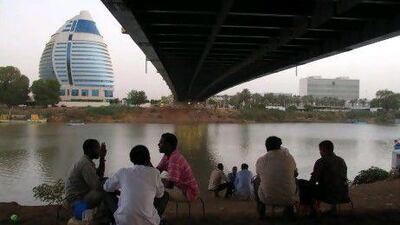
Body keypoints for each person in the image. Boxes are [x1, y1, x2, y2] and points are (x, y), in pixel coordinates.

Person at [103, 145, 167, 225]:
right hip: (148, 222)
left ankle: (111, 220)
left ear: (131, 159)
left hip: (124, 222)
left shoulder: (123, 172)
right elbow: (160, 194)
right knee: (165, 195)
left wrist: (117, 191)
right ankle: (158, 220)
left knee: (106, 191)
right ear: (148, 159)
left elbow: (106, 187)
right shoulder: (154, 173)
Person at [65, 139, 116, 223]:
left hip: (82, 196)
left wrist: (102, 157)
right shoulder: (85, 164)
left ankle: (114, 215)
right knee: (106, 190)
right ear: (89, 150)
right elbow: (97, 186)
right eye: (97, 148)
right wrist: (114, 190)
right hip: (77, 201)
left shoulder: (87, 162)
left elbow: (100, 175)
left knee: (106, 182)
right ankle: (117, 214)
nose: (99, 151)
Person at [299, 140, 348, 213]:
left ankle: (311, 210)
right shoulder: (341, 160)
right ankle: (332, 208)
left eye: (320, 150)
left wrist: (314, 176)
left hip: (327, 194)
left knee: (302, 185)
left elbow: (313, 182)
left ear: (324, 150)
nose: (320, 152)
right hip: (343, 194)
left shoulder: (321, 161)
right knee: (332, 184)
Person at [255, 136, 298, 219]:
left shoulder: (261, 160)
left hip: (267, 199)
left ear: (266, 146)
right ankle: (290, 210)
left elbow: (259, 176)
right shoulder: (289, 157)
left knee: (256, 180)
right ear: (280, 146)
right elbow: (295, 174)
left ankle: (261, 211)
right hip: (289, 199)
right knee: (295, 180)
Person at [156, 133, 199, 202]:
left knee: (154, 191)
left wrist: (156, 184)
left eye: (161, 143)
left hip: (188, 193)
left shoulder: (174, 159)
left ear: (168, 145)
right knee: (156, 182)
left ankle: (155, 212)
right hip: (180, 187)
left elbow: (170, 185)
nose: (158, 144)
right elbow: (157, 171)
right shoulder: (167, 155)